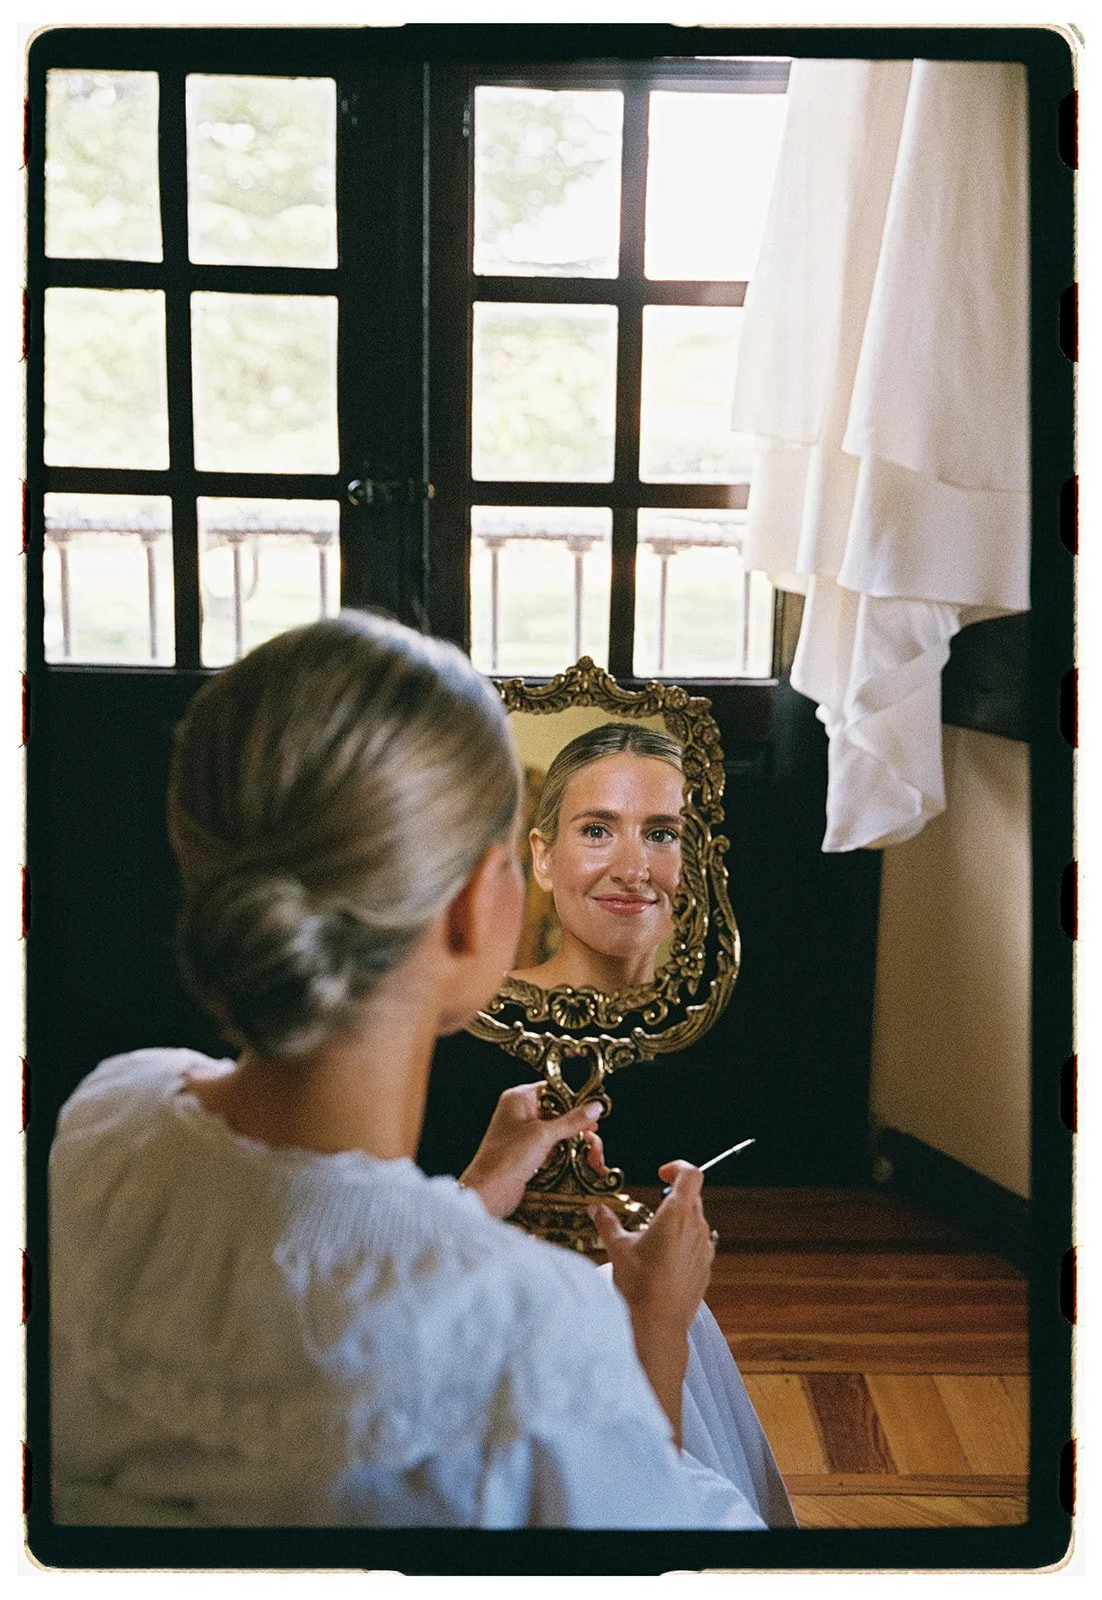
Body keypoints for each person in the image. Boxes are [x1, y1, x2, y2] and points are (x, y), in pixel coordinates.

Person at [49, 612, 790, 1529]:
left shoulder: (105, 1121)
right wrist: (658, 1330)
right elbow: (641, 1562)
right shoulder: (533, 1337)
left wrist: (473, 1196)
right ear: (475, 907)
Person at [511, 723, 685, 993]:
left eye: (661, 835)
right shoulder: (478, 1013)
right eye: (596, 832)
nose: (631, 872)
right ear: (544, 858)